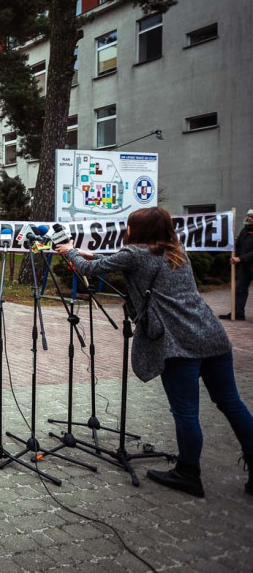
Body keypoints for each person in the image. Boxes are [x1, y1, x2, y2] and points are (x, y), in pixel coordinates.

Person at [56, 207, 253, 498]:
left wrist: (71, 251)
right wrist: (90, 254)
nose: (126, 229)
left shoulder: (135, 254)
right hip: (212, 336)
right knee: (231, 403)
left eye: (130, 225)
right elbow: (119, 262)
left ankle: (188, 473)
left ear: (140, 230)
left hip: (177, 343)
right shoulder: (177, 251)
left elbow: (89, 271)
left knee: (185, 411)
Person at [220, 208, 253, 321]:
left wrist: (241, 258)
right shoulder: (245, 230)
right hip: (245, 265)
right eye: (249, 216)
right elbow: (239, 246)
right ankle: (238, 313)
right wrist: (234, 244)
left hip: (247, 261)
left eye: (252, 217)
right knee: (240, 289)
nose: (250, 218)